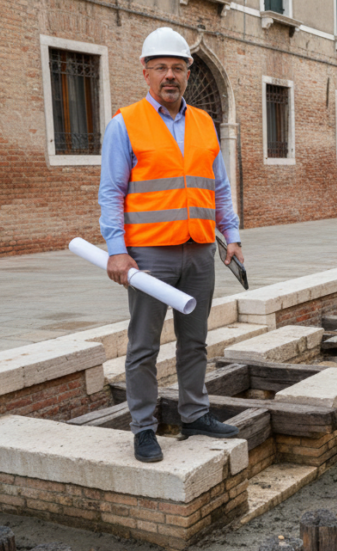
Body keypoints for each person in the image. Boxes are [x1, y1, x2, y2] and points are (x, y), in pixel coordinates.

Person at [97, 27, 245, 463]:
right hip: (148, 255)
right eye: (160, 67)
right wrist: (116, 249)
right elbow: (111, 192)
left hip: (200, 251)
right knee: (143, 346)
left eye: (177, 68)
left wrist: (231, 237)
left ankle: (194, 414)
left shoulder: (204, 123)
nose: (169, 75)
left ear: (187, 74)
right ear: (145, 73)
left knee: (194, 341)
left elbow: (219, 188)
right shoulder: (125, 123)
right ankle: (143, 427)